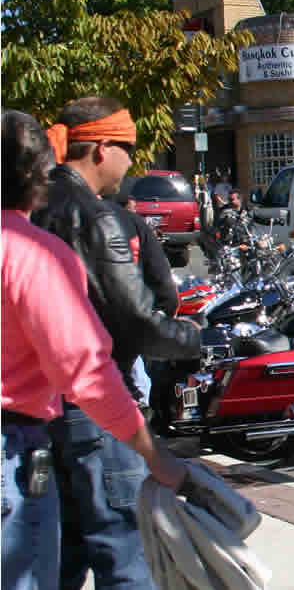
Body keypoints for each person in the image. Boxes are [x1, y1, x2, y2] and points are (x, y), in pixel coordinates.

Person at [2, 109, 186, 590]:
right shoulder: (33, 251)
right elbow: (87, 370)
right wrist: (150, 450)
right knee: (123, 556)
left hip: (40, 434)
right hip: (24, 442)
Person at [109, 190, 179, 416]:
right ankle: (140, 411)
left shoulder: (81, 219)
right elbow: (161, 278)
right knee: (134, 374)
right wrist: (167, 309)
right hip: (130, 312)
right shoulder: (135, 224)